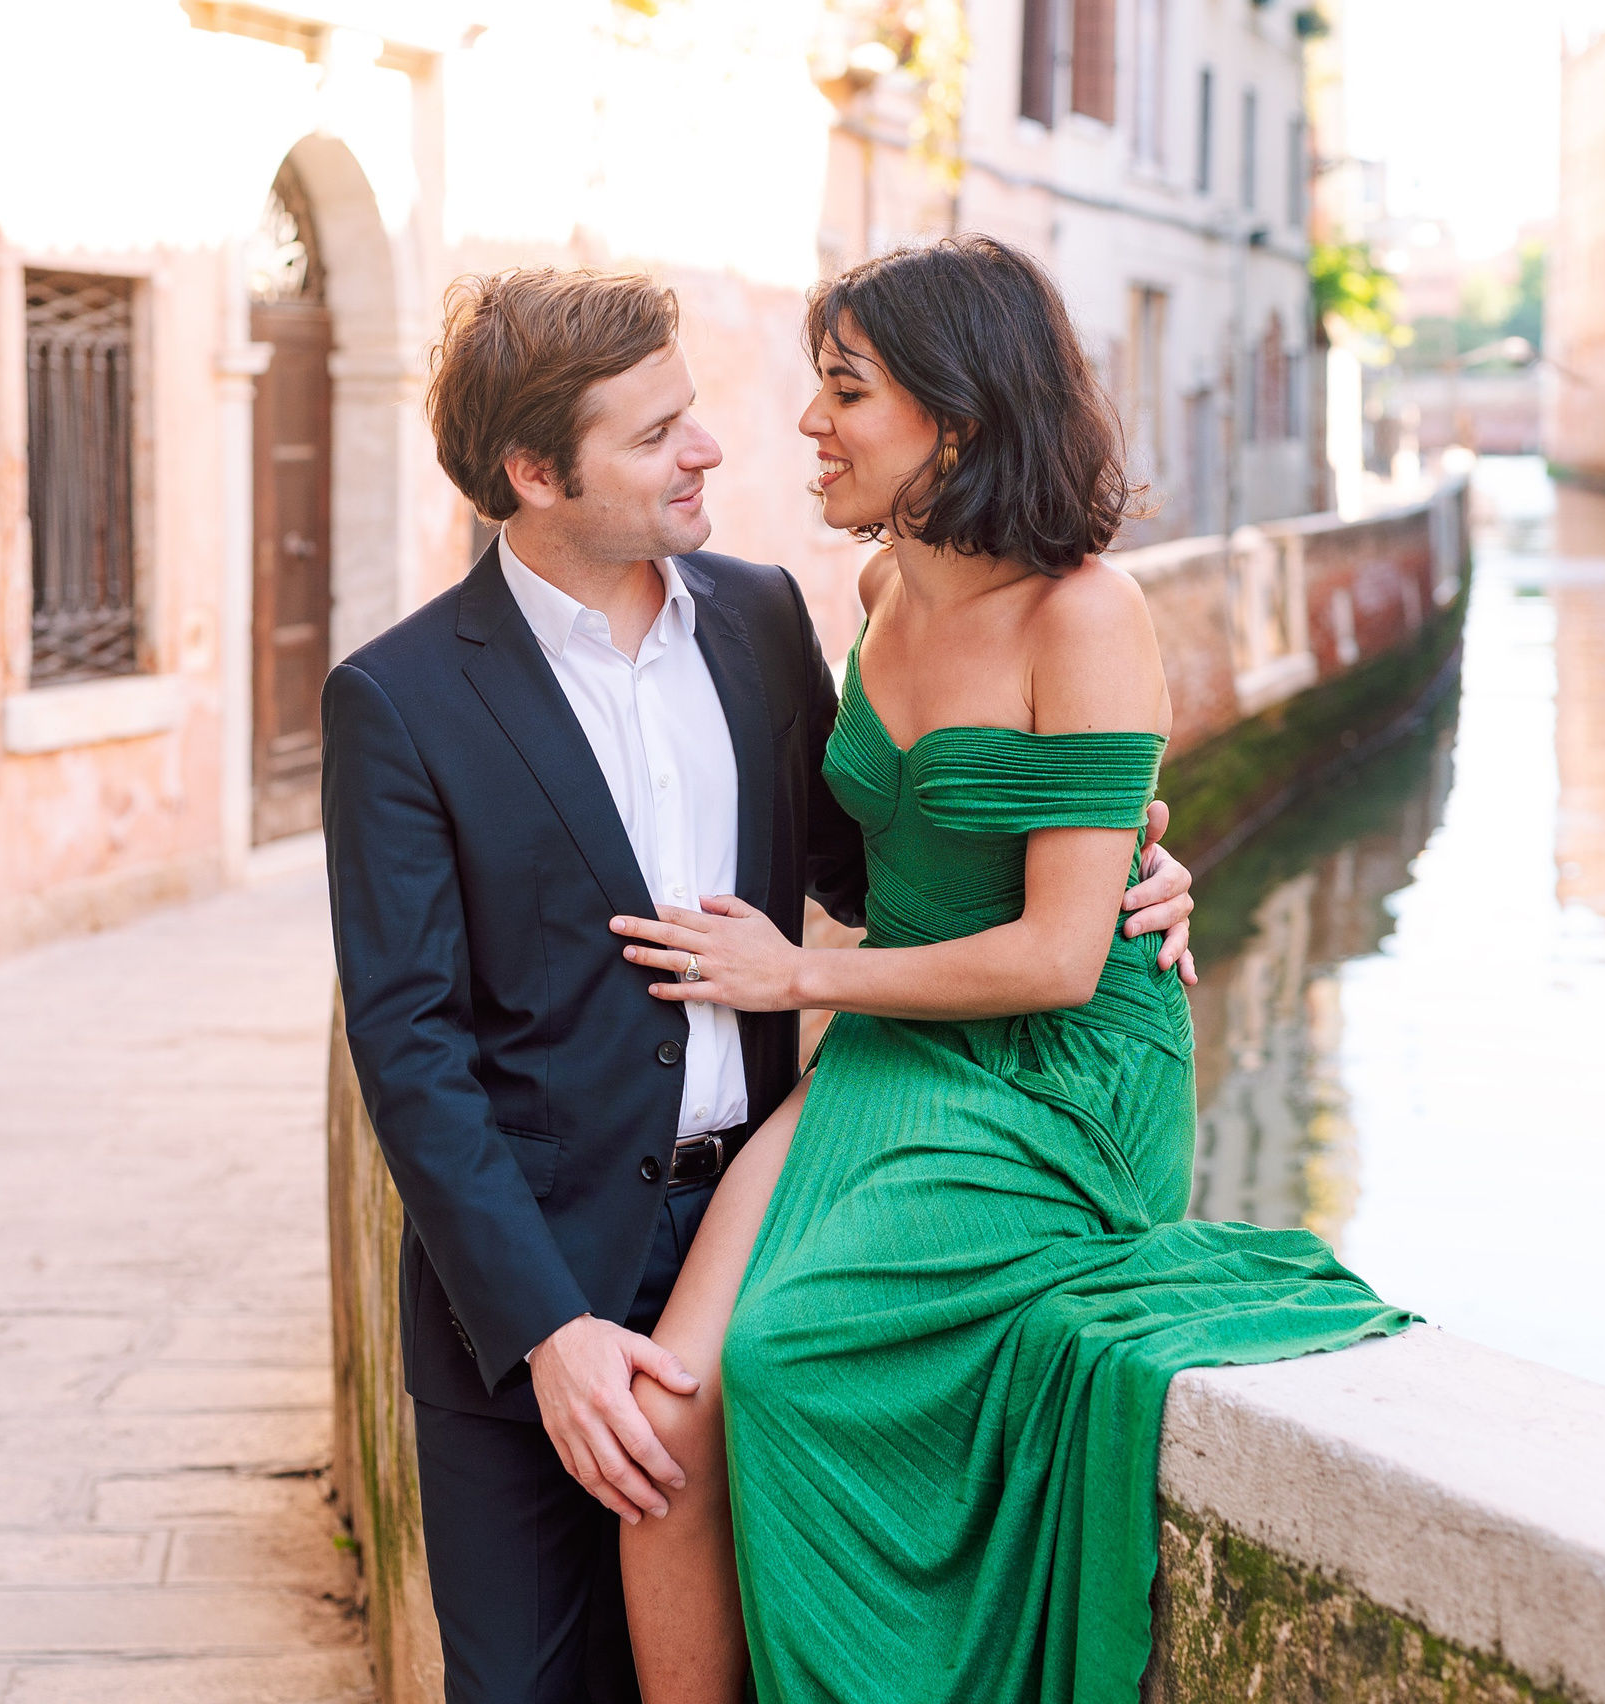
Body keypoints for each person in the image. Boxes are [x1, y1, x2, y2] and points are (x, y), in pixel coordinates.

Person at [319, 266, 1202, 1704]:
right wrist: (544, 1331)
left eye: (693, 412)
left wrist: (1133, 871)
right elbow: (409, 1051)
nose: (714, 446)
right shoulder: (399, 700)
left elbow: (889, 868)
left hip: (781, 1172)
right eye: (656, 433)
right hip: (541, 1272)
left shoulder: (761, 618)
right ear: (535, 472)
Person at [607, 237, 1417, 1704]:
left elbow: (1056, 956)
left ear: (960, 417)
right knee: (667, 1411)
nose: (809, 422)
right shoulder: (880, 588)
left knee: (786, 1356)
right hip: (895, 1046)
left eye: (848, 390)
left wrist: (797, 979)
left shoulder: (1086, 614)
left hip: (1057, 1078)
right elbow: (891, 860)